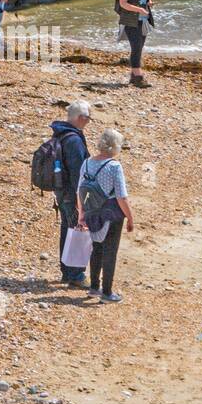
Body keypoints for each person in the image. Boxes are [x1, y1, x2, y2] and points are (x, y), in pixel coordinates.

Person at [76, 128, 134, 302]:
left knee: (97, 248)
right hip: (111, 213)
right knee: (110, 251)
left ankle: (94, 287)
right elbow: (121, 196)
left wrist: (81, 214)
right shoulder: (114, 166)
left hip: (92, 210)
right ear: (115, 147)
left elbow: (79, 190)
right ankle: (107, 292)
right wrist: (130, 217)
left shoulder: (86, 163)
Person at [51, 100, 92, 286]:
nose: (88, 122)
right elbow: (77, 172)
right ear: (80, 118)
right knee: (78, 230)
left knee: (67, 229)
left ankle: (67, 271)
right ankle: (75, 275)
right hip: (71, 193)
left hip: (61, 191)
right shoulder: (74, 139)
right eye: (87, 118)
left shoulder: (61, 134)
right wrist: (81, 199)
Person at [116, 0, 154, 88]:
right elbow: (123, 3)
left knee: (139, 47)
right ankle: (138, 76)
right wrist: (139, 9)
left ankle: (133, 75)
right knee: (136, 47)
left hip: (142, 21)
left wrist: (148, 4)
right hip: (130, 21)